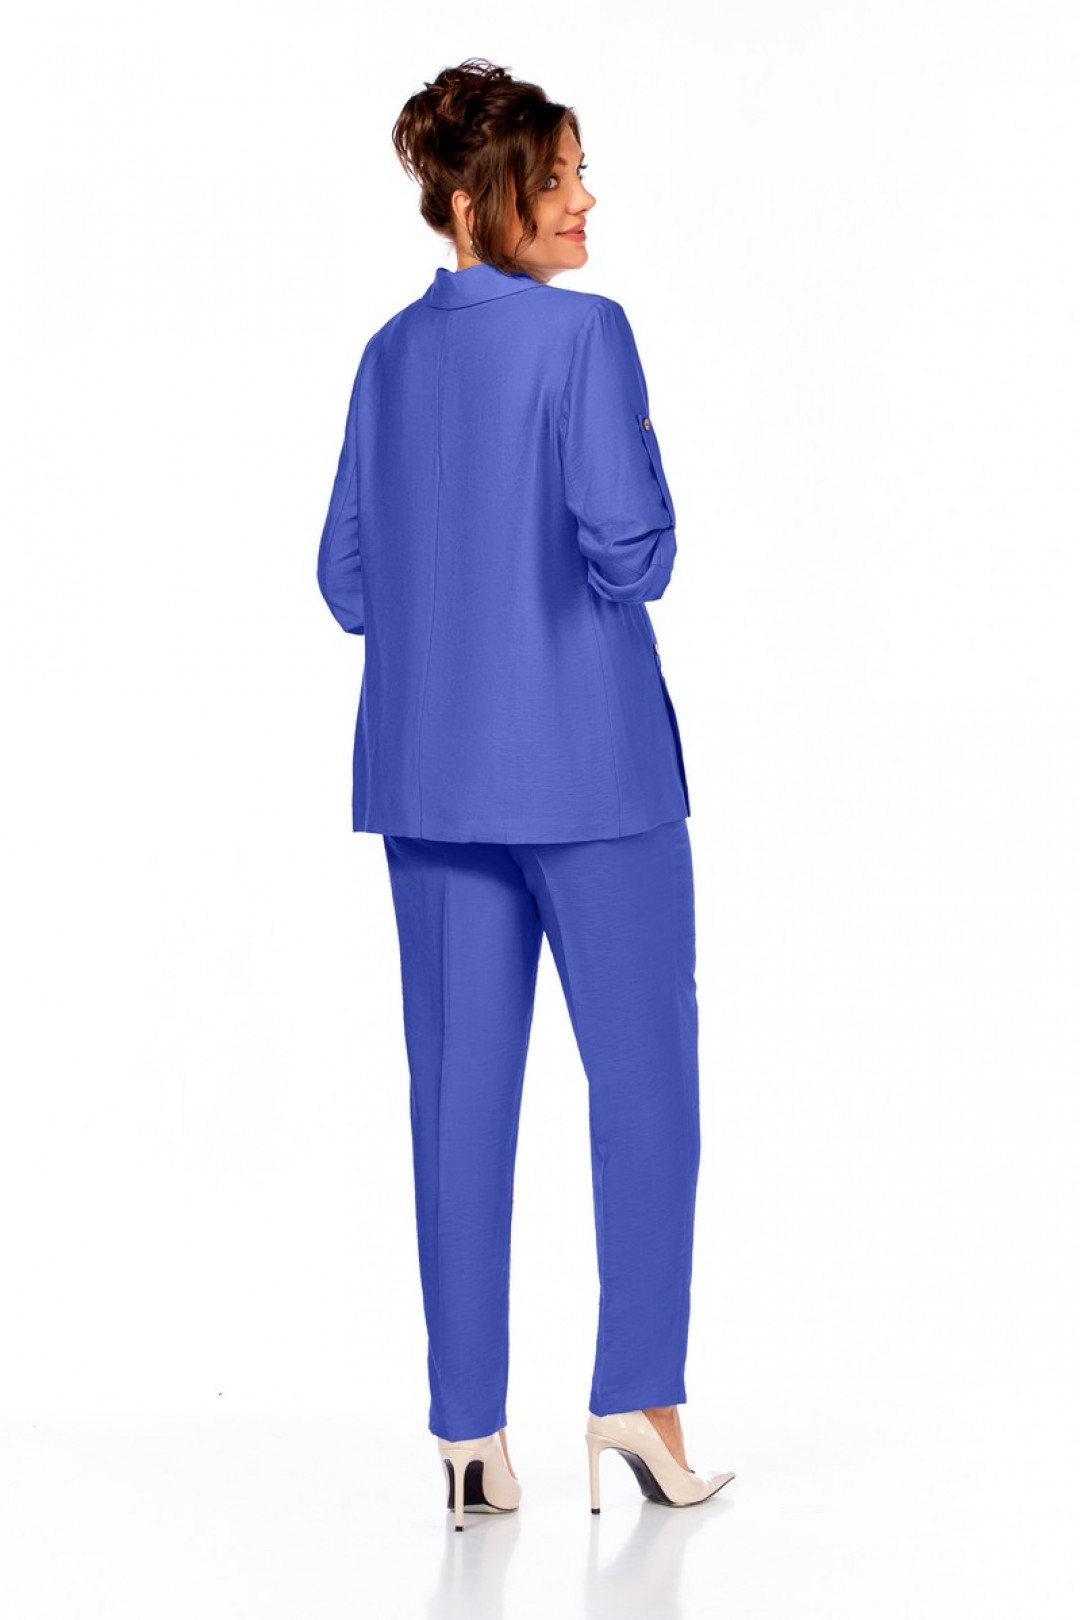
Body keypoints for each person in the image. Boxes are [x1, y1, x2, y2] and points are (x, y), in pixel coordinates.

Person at [316, 57, 734, 1526]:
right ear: (482, 200)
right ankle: (639, 1401)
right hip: (592, 773)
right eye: (559, 179)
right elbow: (634, 555)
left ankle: (468, 1436)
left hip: (429, 781)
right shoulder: (587, 337)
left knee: (456, 1104)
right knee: (645, 1090)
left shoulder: (386, 357)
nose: (585, 201)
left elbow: (347, 582)